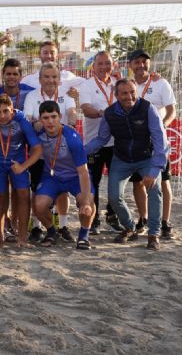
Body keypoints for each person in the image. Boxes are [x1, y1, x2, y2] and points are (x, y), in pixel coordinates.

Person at [85, 79, 169, 250]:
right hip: (121, 159)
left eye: (132, 92)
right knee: (114, 198)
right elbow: (101, 139)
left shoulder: (148, 109)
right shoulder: (110, 113)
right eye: (124, 93)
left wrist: (154, 170)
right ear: (116, 96)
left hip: (146, 157)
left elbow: (161, 140)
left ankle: (153, 234)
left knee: (155, 189)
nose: (129, 96)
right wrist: (79, 152)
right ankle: (130, 228)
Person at [18, 100, 95, 250]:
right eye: (45, 118)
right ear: (40, 120)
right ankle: (52, 231)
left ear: (60, 116)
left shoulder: (71, 137)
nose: (50, 121)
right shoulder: (38, 133)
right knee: (39, 205)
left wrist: (85, 201)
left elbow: (83, 172)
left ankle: (84, 235)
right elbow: (22, 121)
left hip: (74, 177)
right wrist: (34, 124)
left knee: (87, 203)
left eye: (53, 116)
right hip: (52, 177)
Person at [23, 61, 78, 241]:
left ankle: (62, 226)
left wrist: (71, 121)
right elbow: (28, 118)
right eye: (46, 77)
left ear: (59, 79)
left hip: (62, 152)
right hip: (40, 152)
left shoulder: (65, 95)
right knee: (36, 188)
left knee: (62, 191)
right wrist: (35, 123)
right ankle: (37, 226)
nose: (50, 80)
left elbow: (71, 112)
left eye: (54, 76)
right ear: (40, 79)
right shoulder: (32, 96)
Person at [0, 94, 42, 248]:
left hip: (16, 162)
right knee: (0, 197)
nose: (2, 115)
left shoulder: (21, 120)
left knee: (24, 195)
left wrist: (24, 166)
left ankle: (22, 238)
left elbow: (38, 149)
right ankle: (0, 239)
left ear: (12, 110)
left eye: (6, 111)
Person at [127, 50, 176, 239]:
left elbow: (172, 110)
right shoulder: (126, 85)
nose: (141, 65)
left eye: (145, 62)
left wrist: (162, 126)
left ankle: (165, 222)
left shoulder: (160, 83)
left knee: (163, 181)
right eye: (137, 62)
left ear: (149, 63)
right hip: (136, 141)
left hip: (157, 140)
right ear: (130, 65)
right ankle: (144, 218)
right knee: (138, 182)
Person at [78, 51, 124, 234]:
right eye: (100, 64)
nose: (104, 67)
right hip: (94, 143)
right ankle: (94, 219)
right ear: (93, 66)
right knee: (93, 183)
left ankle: (112, 217)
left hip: (117, 143)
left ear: (112, 65)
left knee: (116, 182)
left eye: (108, 64)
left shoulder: (117, 84)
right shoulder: (87, 86)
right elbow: (86, 109)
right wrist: (103, 114)